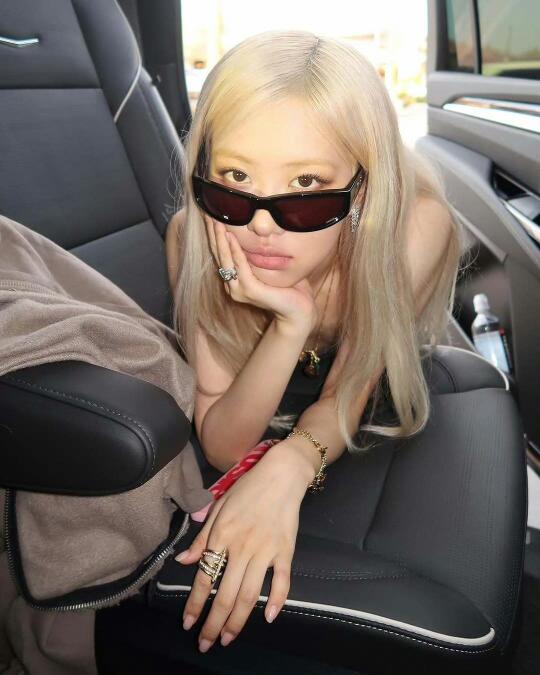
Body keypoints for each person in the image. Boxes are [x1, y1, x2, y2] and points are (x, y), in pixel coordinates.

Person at [164, 29, 466, 655]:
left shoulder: (412, 229)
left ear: (363, 187)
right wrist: (289, 325)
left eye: (305, 187)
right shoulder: (194, 235)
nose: (261, 225)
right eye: (233, 178)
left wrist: (291, 465)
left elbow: (349, 392)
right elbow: (222, 441)